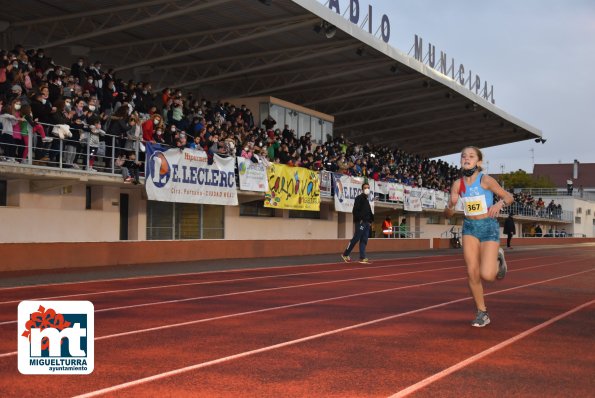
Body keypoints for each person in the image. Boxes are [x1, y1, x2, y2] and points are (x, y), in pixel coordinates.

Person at [444, 146, 513, 328]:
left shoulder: (486, 180)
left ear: (479, 162)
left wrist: (499, 204)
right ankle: (482, 312)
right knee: (471, 271)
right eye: (463, 156)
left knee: (488, 275)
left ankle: (499, 260)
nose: (466, 158)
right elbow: (448, 214)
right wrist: (450, 205)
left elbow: (508, 197)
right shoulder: (458, 185)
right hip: (469, 227)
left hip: (488, 226)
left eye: (471, 156)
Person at [341, 182, 374, 264]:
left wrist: (370, 221)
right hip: (361, 222)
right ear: (362, 189)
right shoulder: (359, 198)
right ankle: (345, 254)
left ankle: (362, 257)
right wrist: (360, 219)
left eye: (368, 188)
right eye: (365, 188)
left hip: (366, 223)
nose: (367, 189)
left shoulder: (366, 200)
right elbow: (355, 211)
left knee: (364, 240)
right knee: (356, 238)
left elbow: (369, 212)